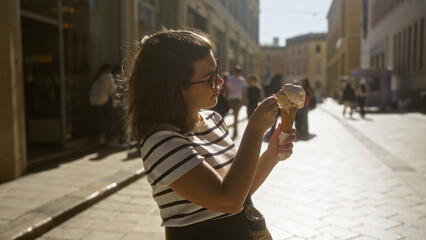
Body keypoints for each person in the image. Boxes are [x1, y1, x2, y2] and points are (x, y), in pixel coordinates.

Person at [124, 29, 296, 239]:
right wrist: (254, 130)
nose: (220, 83)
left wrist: (271, 154)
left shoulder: (213, 120)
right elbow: (229, 201)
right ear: (175, 88)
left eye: (217, 72)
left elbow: (242, 189)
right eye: (210, 78)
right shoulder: (161, 142)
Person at [226, 65, 246, 139]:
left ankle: (235, 132)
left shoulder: (242, 80)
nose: (237, 73)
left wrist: (244, 100)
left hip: (238, 100)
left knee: (236, 116)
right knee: (230, 115)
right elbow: (227, 89)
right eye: (236, 72)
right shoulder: (230, 79)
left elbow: (244, 90)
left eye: (239, 72)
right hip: (231, 100)